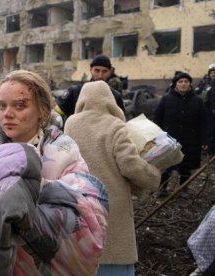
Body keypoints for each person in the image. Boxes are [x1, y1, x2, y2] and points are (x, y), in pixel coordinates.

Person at [0, 70, 109, 275]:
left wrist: (23, 196)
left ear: (42, 110)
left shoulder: (63, 152)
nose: (8, 114)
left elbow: (87, 214)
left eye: (20, 105)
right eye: (2, 106)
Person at [64, 81, 161, 276]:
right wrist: (153, 175)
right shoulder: (115, 126)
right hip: (111, 207)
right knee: (113, 260)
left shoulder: (71, 124)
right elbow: (130, 165)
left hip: (78, 202)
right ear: (110, 101)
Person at [154, 72, 207, 197]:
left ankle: (183, 189)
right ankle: (162, 188)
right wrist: (157, 135)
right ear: (175, 84)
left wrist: (204, 140)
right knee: (166, 165)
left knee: (186, 166)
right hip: (169, 139)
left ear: (190, 84)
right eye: (180, 82)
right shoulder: (166, 98)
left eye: (186, 82)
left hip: (190, 139)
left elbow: (204, 122)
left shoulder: (197, 101)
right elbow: (158, 117)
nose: (183, 84)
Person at [55, 54, 125, 121]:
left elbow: (121, 121)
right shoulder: (74, 92)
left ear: (109, 72)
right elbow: (56, 114)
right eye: (97, 70)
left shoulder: (115, 97)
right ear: (91, 70)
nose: (100, 75)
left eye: (104, 71)